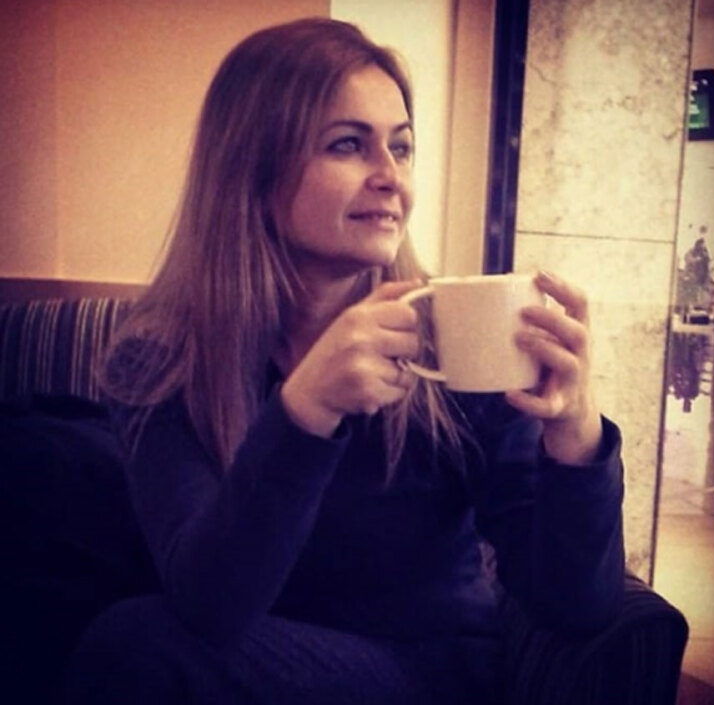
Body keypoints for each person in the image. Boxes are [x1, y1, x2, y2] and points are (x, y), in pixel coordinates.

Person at [63, 17, 625, 705]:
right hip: (241, 665)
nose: (391, 177)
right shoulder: (159, 358)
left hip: (428, 673)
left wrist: (577, 436)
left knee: (132, 645)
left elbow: (578, 608)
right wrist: (305, 411)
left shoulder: (457, 337)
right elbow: (207, 604)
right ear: (253, 171)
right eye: (348, 145)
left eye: (402, 147)